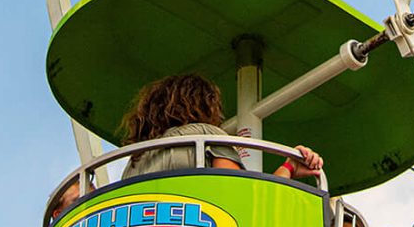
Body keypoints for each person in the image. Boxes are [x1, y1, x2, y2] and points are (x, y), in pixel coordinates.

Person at [117, 72, 324, 182]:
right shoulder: (205, 134)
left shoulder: (134, 163)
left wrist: (288, 168)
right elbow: (241, 193)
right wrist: (288, 167)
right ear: (204, 105)